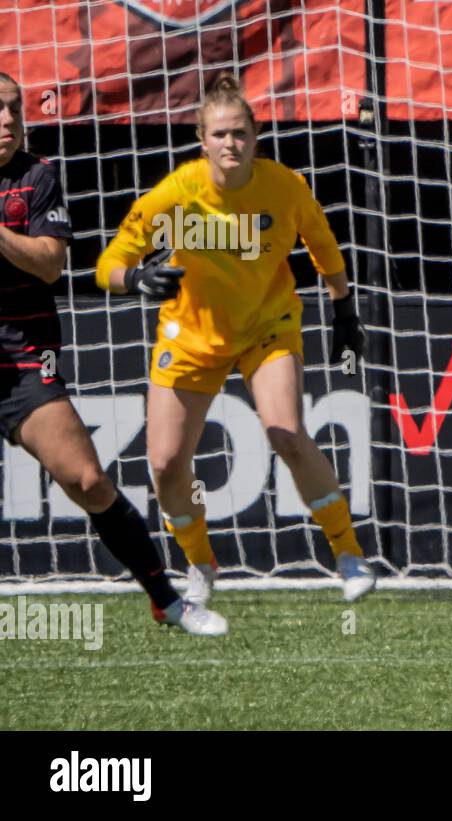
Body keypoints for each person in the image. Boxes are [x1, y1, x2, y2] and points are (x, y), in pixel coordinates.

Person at [95, 72, 375, 609]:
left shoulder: (285, 186)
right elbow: (108, 262)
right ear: (203, 141)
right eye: (220, 134)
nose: (231, 143)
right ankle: (200, 563)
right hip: (193, 337)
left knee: (287, 432)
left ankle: (347, 552)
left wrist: (343, 309)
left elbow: (324, 245)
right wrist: (135, 280)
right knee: (166, 464)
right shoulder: (177, 193)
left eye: (240, 133)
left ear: (255, 136)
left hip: (266, 326)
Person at [0, 72, 225, 635]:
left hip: (23, 355)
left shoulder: (36, 176)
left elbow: (52, 263)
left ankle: (167, 601)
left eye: (12, 109)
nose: (6, 121)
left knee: (88, 481)